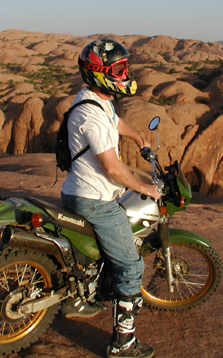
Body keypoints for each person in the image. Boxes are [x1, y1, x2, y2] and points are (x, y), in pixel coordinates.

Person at [60, 39, 161, 358]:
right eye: (119, 69)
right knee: (131, 266)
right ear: (99, 72)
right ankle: (123, 344)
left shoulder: (94, 99)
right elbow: (113, 168)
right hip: (95, 201)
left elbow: (113, 120)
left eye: (124, 68)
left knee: (93, 255)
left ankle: (77, 298)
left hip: (79, 191)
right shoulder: (90, 114)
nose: (125, 73)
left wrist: (135, 135)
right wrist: (144, 187)